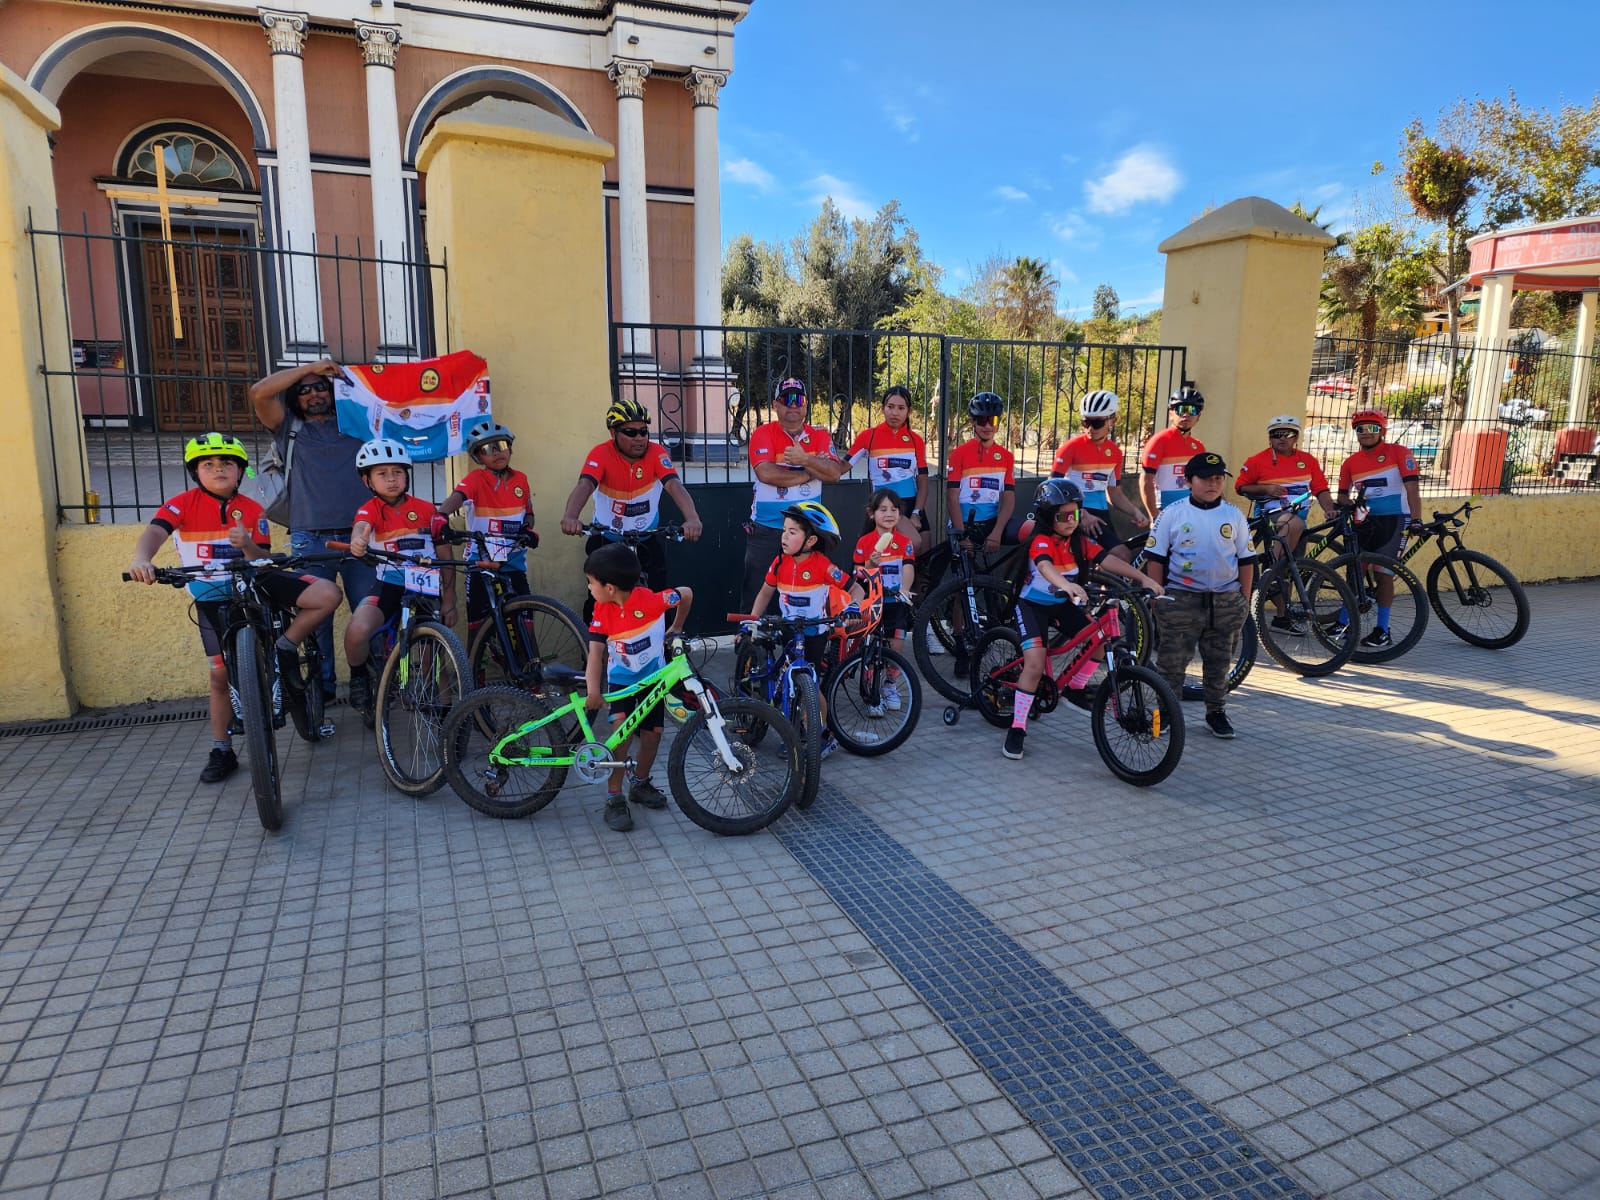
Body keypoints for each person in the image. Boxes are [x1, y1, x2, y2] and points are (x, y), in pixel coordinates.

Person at [126, 433, 341, 782]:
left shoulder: (252, 509)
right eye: (208, 464)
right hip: (212, 594)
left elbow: (265, 559)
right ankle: (221, 749)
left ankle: (285, 645)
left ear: (240, 471)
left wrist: (248, 547)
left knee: (328, 594)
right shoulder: (182, 503)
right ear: (196, 472)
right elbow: (155, 532)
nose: (218, 469)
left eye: (227, 463)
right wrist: (141, 559)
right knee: (219, 675)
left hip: (255, 582)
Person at [1000, 480, 1163, 761]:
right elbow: (1044, 566)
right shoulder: (1042, 540)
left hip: (1061, 605)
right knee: (1036, 663)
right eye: (1063, 515)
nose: (1070, 521)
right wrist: (1065, 584)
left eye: (1075, 514)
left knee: (1099, 639)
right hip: (1032, 606)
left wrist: (1144, 578)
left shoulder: (1079, 542)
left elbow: (1108, 561)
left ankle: (1075, 687)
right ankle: (1017, 728)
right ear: (1048, 516)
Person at [249, 358, 377, 708]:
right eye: (303, 390)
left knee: (368, 615)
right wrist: (312, 367)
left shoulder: (359, 423)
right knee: (316, 620)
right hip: (309, 538)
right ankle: (322, 693)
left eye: (320, 386)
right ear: (294, 397)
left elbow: (393, 402)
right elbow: (259, 392)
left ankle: (366, 683)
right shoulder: (288, 426)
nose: (314, 393)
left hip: (360, 537)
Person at [1143, 452, 1257, 740]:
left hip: (1225, 601)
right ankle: (1165, 714)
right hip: (1181, 599)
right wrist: (1157, 596)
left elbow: (1246, 560)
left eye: (1218, 479)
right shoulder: (1173, 513)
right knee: (1171, 662)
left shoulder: (1233, 515)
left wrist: (1243, 600)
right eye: (1206, 479)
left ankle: (1215, 712)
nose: (1213, 484)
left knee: (1219, 661)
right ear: (1189, 481)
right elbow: (1155, 558)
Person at [583, 543, 693, 833]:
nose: (589, 588)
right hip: (621, 684)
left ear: (609, 587)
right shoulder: (601, 610)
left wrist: (676, 627)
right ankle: (614, 796)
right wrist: (593, 691)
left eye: (590, 583)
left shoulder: (653, 600)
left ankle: (640, 783)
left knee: (652, 737)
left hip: (653, 681)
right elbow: (595, 654)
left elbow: (686, 593)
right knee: (622, 735)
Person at [560, 398, 704, 618]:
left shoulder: (656, 453)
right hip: (607, 538)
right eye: (630, 432)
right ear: (613, 433)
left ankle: (660, 649)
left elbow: (674, 485)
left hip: (645, 537)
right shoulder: (601, 454)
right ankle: (593, 650)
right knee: (599, 602)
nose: (639, 438)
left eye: (643, 432)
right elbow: (585, 484)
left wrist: (692, 518)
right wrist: (571, 516)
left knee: (658, 599)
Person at [342, 439, 457, 703]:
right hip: (389, 586)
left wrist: (450, 600)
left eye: (397, 472)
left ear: (407, 475)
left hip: (426, 586)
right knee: (357, 630)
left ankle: (446, 711)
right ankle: (359, 675)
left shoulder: (428, 510)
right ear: (367, 481)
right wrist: (358, 540)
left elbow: (445, 556)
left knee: (433, 652)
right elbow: (361, 526)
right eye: (382, 474)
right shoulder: (369, 509)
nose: (391, 479)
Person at [748, 501, 857, 758]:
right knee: (787, 683)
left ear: (810, 541)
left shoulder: (822, 565)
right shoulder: (779, 563)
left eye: (792, 532)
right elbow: (765, 592)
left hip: (812, 634)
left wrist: (852, 607)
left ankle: (822, 734)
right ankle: (794, 732)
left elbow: (855, 587)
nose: (784, 536)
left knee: (809, 685)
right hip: (788, 631)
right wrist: (753, 619)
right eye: (784, 530)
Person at [741, 379, 845, 611]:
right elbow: (766, 473)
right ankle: (749, 643)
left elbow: (835, 473)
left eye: (800, 400)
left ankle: (800, 644)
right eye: (787, 400)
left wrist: (805, 459)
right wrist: (809, 473)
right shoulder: (762, 433)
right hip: (767, 530)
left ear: (806, 406)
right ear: (775, 405)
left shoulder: (819, 436)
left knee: (805, 596)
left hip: (808, 532)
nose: (794, 405)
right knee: (755, 596)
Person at [1234, 415, 1336, 634]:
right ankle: (1272, 569)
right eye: (1276, 434)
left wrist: (1329, 508)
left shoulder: (1308, 460)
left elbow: (1321, 488)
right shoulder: (1257, 460)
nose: (1282, 438)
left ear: (1296, 437)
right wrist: (1266, 489)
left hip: (1299, 520)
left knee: (1291, 569)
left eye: (1288, 434)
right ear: (1269, 438)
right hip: (1272, 517)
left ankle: (1282, 618)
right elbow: (1240, 487)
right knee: (1290, 531)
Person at [437, 420, 536, 640]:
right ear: (477, 457)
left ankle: (532, 666)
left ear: (509, 447)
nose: (496, 452)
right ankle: (475, 671)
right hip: (480, 558)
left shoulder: (522, 479)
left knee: (526, 619)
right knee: (477, 625)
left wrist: (528, 529)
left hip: (513, 559)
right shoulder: (475, 479)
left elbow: (528, 512)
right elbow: (456, 498)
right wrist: (440, 516)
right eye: (487, 449)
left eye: (501, 445)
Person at [1335, 408, 1422, 649]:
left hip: (1395, 520)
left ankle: (1382, 629)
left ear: (1382, 431)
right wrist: (1351, 504)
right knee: (1355, 573)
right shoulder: (1351, 462)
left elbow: (1413, 490)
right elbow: (1342, 496)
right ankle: (1344, 623)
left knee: (1384, 574)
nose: (1365, 433)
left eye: (1372, 428)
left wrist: (1416, 519)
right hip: (1365, 522)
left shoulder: (1399, 453)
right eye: (1359, 429)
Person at [1048, 388, 1150, 561]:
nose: (1090, 429)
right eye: (1085, 422)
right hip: (1073, 511)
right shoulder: (1071, 447)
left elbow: (1114, 493)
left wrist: (1135, 511)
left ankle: (1097, 587)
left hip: (1100, 512)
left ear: (1113, 421)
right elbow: (1052, 486)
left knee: (1115, 559)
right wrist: (1081, 514)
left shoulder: (1116, 453)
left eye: (1097, 423)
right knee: (1119, 555)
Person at [852, 489, 916, 717]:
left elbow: (908, 567)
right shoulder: (864, 542)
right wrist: (870, 563)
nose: (889, 514)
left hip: (895, 600)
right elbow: (858, 574)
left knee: (896, 646)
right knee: (871, 648)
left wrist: (905, 589)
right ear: (872, 514)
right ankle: (871, 692)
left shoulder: (904, 542)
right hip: (873, 601)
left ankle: (890, 684)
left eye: (894, 509)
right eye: (883, 509)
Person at [846, 386, 930, 553]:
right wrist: (820, 460)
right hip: (885, 505)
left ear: (909, 411)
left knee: (926, 554)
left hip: (912, 505)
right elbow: (842, 466)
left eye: (901, 408)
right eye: (890, 407)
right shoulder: (868, 436)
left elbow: (923, 482)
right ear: (882, 408)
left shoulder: (916, 440)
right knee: (914, 543)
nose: (895, 413)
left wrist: (916, 513)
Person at [946, 392, 1016, 558]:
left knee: (1031, 532)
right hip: (963, 524)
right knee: (967, 575)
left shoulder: (1006, 456)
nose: (987, 426)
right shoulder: (959, 454)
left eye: (992, 420)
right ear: (972, 422)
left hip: (991, 525)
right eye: (981, 420)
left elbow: (1009, 498)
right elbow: (951, 498)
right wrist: (962, 536)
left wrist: (997, 532)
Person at [1140, 385, 1207, 520]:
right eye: (1181, 409)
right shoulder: (1158, 441)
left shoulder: (1198, 446)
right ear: (1171, 413)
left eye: (1192, 410)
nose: (1186, 415)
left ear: (1198, 416)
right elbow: (1145, 480)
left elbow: (1205, 481)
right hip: (1164, 512)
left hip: (1191, 512)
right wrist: (1153, 515)